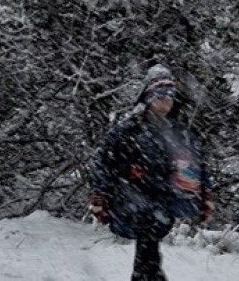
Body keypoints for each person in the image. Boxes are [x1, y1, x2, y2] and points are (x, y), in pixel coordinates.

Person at [89, 64, 215, 281]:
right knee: (147, 246)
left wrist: (206, 195)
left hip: (165, 200)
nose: (166, 101)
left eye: (170, 95)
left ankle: (148, 276)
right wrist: (101, 194)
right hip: (133, 198)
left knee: (150, 245)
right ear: (147, 97)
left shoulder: (180, 132)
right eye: (160, 95)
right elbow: (104, 160)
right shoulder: (129, 130)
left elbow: (198, 164)